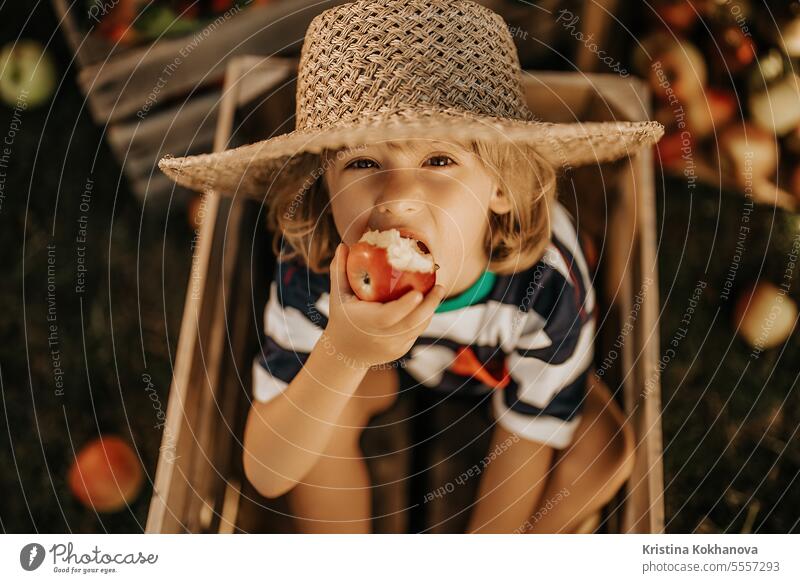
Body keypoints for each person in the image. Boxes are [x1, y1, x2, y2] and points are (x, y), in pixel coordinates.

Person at [158, 0, 663, 533]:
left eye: (439, 161)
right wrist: (342, 355)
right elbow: (267, 472)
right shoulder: (313, 267)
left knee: (601, 452)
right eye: (363, 163)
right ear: (324, 188)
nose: (399, 196)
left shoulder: (546, 283)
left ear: (499, 185)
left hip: (504, 371)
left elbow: (530, 442)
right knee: (315, 428)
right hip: (381, 367)